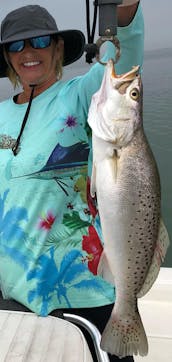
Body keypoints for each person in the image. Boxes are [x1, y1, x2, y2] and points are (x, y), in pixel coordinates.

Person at [0, 2, 144, 361]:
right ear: (7, 57)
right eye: (16, 45)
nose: (28, 52)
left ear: (58, 48)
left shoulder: (85, 96)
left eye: (39, 41)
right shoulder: (1, 113)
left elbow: (124, 63)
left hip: (82, 292)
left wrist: (122, 13)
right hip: (14, 290)